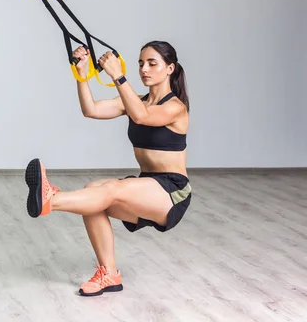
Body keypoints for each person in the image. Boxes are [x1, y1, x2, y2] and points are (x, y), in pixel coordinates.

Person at [24, 40, 192, 297]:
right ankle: (109, 275)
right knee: (93, 192)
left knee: (111, 189)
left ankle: (51, 200)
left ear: (170, 69)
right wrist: (82, 76)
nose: (144, 69)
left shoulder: (175, 107)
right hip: (146, 185)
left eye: (152, 63)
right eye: (140, 63)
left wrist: (118, 75)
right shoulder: (134, 101)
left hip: (172, 191)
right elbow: (90, 110)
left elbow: (143, 117)